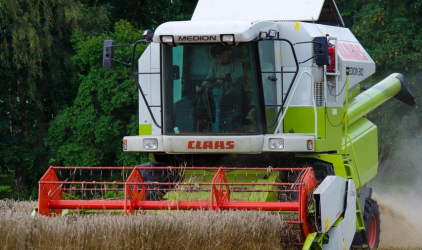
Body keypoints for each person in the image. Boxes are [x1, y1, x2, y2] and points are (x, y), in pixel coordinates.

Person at [196, 45, 244, 132]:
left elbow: (239, 76)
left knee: (237, 93)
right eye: (217, 56)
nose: (218, 58)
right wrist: (202, 86)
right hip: (217, 90)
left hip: (231, 90)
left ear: (228, 54)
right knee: (205, 95)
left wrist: (226, 77)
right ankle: (212, 117)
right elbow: (209, 77)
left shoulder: (236, 62)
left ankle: (237, 120)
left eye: (220, 55)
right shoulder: (215, 64)